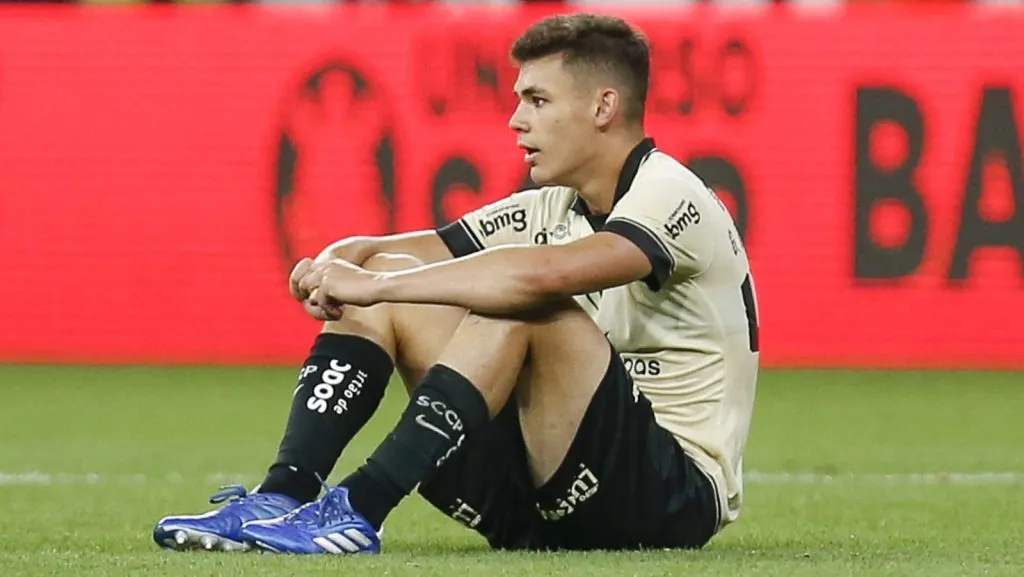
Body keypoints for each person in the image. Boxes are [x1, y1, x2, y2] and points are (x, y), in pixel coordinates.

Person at [153, 12, 759, 555]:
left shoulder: (671, 193)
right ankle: (283, 494)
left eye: (538, 100)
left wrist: (376, 288)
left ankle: (359, 510)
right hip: (549, 495)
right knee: (395, 279)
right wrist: (346, 258)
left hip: (670, 495)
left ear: (603, 107)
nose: (516, 119)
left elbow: (541, 276)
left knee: (521, 301)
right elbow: (414, 251)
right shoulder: (555, 205)